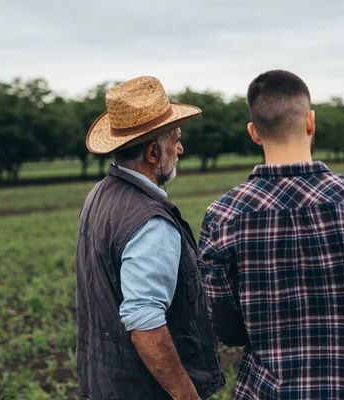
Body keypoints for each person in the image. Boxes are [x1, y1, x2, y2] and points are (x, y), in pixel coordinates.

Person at [198, 70, 344, 399]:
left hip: (267, 390)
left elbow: (229, 329)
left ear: (254, 133)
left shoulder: (223, 215)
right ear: (311, 122)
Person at [76, 76, 225, 400]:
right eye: (176, 140)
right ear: (154, 152)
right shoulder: (150, 222)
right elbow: (145, 323)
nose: (181, 149)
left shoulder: (98, 195)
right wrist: (187, 396)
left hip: (105, 385)